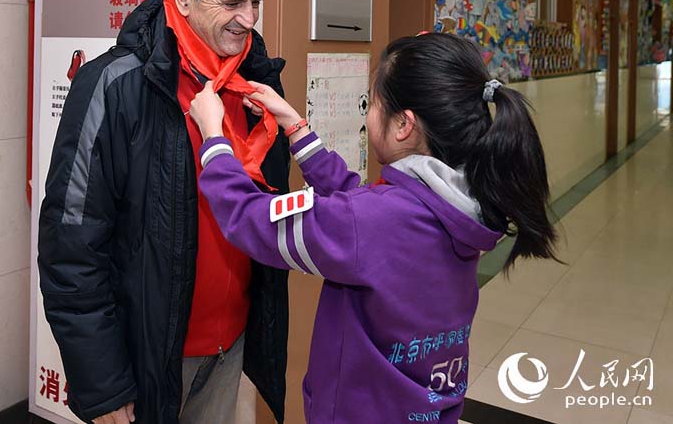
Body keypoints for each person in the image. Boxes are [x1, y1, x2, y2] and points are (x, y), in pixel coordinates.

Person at [188, 33, 559, 423]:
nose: (367, 115)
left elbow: (251, 220)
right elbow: (363, 211)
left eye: (373, 102)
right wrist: (296, 128)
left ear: (404, 125)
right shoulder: (464, 207)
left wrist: (214, 138)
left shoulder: (374, 222)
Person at [38, 0, 291, 424]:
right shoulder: (113, 85)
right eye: (234, 2)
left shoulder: (257, 81)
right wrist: (104, 382)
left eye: (256, 1)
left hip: (229, 346)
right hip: (146, 356)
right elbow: (71, 246)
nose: (250, 19)